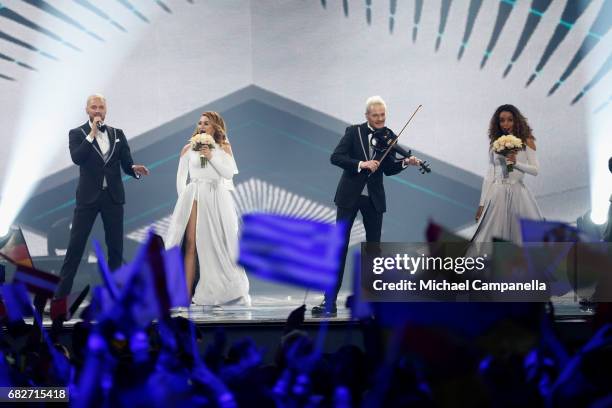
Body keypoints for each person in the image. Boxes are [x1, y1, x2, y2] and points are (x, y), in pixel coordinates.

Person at [312, 96, 422, 317]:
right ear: (367, 116)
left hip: (374, 199)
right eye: (376, 115)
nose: (380, 119)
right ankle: (329, 302)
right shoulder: (353, 132)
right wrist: (361, 164)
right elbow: (336, 157)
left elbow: (388, 168)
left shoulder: (389, 137)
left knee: (374, 251)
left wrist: (405, 162)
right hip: (349, 196)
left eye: (383, 115)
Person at [56, 94, 149, 297]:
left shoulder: (118, 133)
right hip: (88, 198)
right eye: (94, 107)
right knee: (76, 247)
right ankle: (60, 297)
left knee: (115, 249)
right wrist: (92, 134)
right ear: (87, 110)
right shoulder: (77, 133)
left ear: (106, 110)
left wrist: (134, 169)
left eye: (101, 107)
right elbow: (78, 158)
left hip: (113, 197)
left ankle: (115, 297)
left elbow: (126, 163)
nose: (98, 111)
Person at [165, 112, 250, 306]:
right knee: (191, 242)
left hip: (217, 196)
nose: (202, 126)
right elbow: (181, 177)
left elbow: (228, 173)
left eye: (207, 123)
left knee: (219, 244)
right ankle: (185, 295)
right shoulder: (188, 149)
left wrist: (210, 155)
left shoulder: (224, 147)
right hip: (194, 195)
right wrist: (184, 202)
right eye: (200, 123)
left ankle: (225, 288)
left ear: (215, 127)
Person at [472, 104, 542, 244]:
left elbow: (535, 170)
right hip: (497, 193)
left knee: (523, 236)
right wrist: (481, 204)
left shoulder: (527, 140)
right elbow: (490, 175)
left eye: (510, 119)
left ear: (516, 120)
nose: (506, 124)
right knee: (491, 235)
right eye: (502, 120)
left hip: (518, 192)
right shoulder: (494, 144)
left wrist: (516, 164)